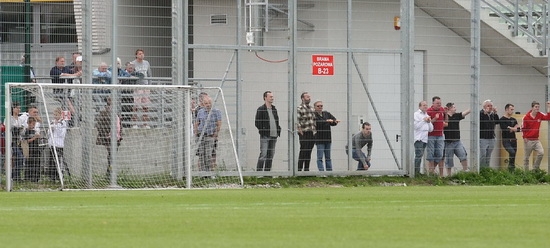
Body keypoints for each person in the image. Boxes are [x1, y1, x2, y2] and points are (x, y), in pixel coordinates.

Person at [94, 97, 122, 178]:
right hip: (109, 138)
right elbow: (99, 124)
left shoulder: (117, 113)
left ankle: (109, 173)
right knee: (111, 155)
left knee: (112, 156)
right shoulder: (104, 112)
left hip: (116, 138)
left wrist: (120, 135)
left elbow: (120, 124)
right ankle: (110, 174)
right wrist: (105, 133)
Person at [254, 91, 281, 172]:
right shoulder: (261, 109)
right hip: (265, 135)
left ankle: (267, 173)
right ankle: (259, 173)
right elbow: (257, 122)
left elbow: (276, 121)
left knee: (271, 155)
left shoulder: (274, 109)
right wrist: (263, 131)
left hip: (274, 135)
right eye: (270, 96)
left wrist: (278, 129)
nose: (272, 98)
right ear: (265, 98)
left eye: (272, 96)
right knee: (263, 154)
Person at [194, 96, 222, 171]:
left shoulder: (216, 111)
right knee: (201, 155)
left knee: (208, 154)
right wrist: (196, 133)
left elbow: (219, 123)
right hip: (200, 136)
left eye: (209, 103)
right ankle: (202, 172)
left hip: (210, 135)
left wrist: (215, 134)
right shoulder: (201, 111)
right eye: (206, 103)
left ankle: (209, 171)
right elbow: (197, 123)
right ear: (203, 104)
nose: (208, 104)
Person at [521, 101, 550, 171]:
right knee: (526, 158)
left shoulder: (539, 115)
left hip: (536, 139)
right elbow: (523, 128)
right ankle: (526, 173)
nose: (537, 108)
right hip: (528, 140)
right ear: (532, 108)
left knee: (541, 152)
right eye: (536, 107)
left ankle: (535, 169)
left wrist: (548, 107)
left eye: (538, 107)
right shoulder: (526, 117)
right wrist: (524, 137)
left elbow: (548, 117)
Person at [443, 102, 471, 176]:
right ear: (449, 108)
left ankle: (466, 171)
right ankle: (449, 175)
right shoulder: (444, 117)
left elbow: (464, 113)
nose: (455, 109)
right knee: (449, 159)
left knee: (463, 155)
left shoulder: (456, 116)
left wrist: (472, 107)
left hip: (457, 141)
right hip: (448, 142)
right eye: (454, 107)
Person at [313, 100, 340, 171]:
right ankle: (322, 172)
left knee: (328, 157)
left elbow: (333, 120)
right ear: (315, 107)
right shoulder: (314, 115)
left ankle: (329, 172)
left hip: (328, 138)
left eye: (321, 106)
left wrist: (335, 122)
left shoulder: (326, 113)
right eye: (318, 106)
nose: (320, 107)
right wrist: (327, 121)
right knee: (320, 157)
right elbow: (317, 123)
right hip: (319, 139)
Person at [132, 49, 152, 128]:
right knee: (136, 106)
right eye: (140, 54)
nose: (141, 55)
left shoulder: (146, 63)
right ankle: (134, 123)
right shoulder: (133, 63)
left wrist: (150, 85)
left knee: (145, 106)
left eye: (142, 53)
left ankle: (145, 124)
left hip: (145, 86)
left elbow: (149, 75)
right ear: (136, 55)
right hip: (137, 86)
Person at [5, 103, 25, 181]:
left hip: (18, 141)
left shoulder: (20, 119)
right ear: (13, 109)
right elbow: (7, 129)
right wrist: (15, 128)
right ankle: (13, 176)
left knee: (19, 159)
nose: (19, 109)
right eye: (17, 108)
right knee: (17, 158)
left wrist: (22, 129)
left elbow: (22, 132)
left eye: (19, 108)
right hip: (12, 142)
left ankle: (16, 176)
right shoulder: (9, 118)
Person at [48, 107, 69, 180]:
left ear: (60, 114)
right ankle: (52, 177)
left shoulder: (63, 123)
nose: (55, 116)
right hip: (52, 144)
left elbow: (61, 134)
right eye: (54, 114)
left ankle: (59, 176)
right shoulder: (52, 121)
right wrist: (51, 129)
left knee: (59, 161)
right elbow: (48, 133)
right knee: (51, 161)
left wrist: (57, 126)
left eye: (56, 114)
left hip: (59, 145)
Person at [426, 96, 446, 175]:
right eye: (437, 103)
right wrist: (434, 118)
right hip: (431, 135)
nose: (439, 105)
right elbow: (428, 124)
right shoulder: (429, 111)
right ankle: (431, 171)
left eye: (440, 103)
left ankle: (432, 170)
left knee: (440, 154)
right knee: (431, 154)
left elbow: (446, 120)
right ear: (433, 103)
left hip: (440, 135)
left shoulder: (441, 110)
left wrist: (446, 113)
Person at [296, 92, 316, 171]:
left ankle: (306, 169)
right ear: (302, 98)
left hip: (311, 132)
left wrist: (315, 131)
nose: (309, 98)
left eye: (309, 96)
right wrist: (300, 131)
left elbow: (314, 120)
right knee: (303, 151)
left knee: (309, 152)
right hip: (304, 132)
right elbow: (297, 121)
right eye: (307, 97)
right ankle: (299, 169)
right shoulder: (299, 108)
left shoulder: (311, 109)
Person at [413, 101, 434, 175]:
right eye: (423, 105)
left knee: (421, 155)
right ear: (420, 106)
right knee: (418, 155)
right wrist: (423, 120)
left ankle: (418, 172)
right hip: (419, 138)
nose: (425, 106)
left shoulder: (426, 115)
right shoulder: (416, 114)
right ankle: (416, 172)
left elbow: (431, 129)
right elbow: (416, 126)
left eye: (426, 105)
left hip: (425, 139)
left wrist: (428, 122)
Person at [499, 103, 520, 172]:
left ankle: (512, 171)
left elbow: (519, 129)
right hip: (506, 140)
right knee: (512, 152)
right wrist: (513, 128)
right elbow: (506, 129)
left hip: (513, 140)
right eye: (511, 109)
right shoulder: (502, 119)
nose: (512, 111)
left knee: (513, 155)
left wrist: (512, 128)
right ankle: (510, 168)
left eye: (513, 110)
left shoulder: (514, 119)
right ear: (507, 109)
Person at [21, 117, 41, 182]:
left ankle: (35, 178)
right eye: (33, 124)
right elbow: (25, 141)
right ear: (29, 123)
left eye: (34, 124)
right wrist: (34, 138)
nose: (34, 125)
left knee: (36, 163)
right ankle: (27, 177)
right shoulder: (26, 131)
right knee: (29, 163)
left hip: (35, 149)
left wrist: (38, 137)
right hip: (29, 149)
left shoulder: (35, 131)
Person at [480, 99, 499, 168]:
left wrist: (495, 113)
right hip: (483, 138)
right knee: (483, 155)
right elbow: (480, 123)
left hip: (491, 137)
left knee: (488, 155)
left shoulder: (492, 115)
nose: (490, 107)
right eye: (488, 106)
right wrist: (485, 114)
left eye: (491, 106)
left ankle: (487, 169)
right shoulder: (481, 114)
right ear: (484, 106)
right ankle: (481, 169)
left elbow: (497, 122)